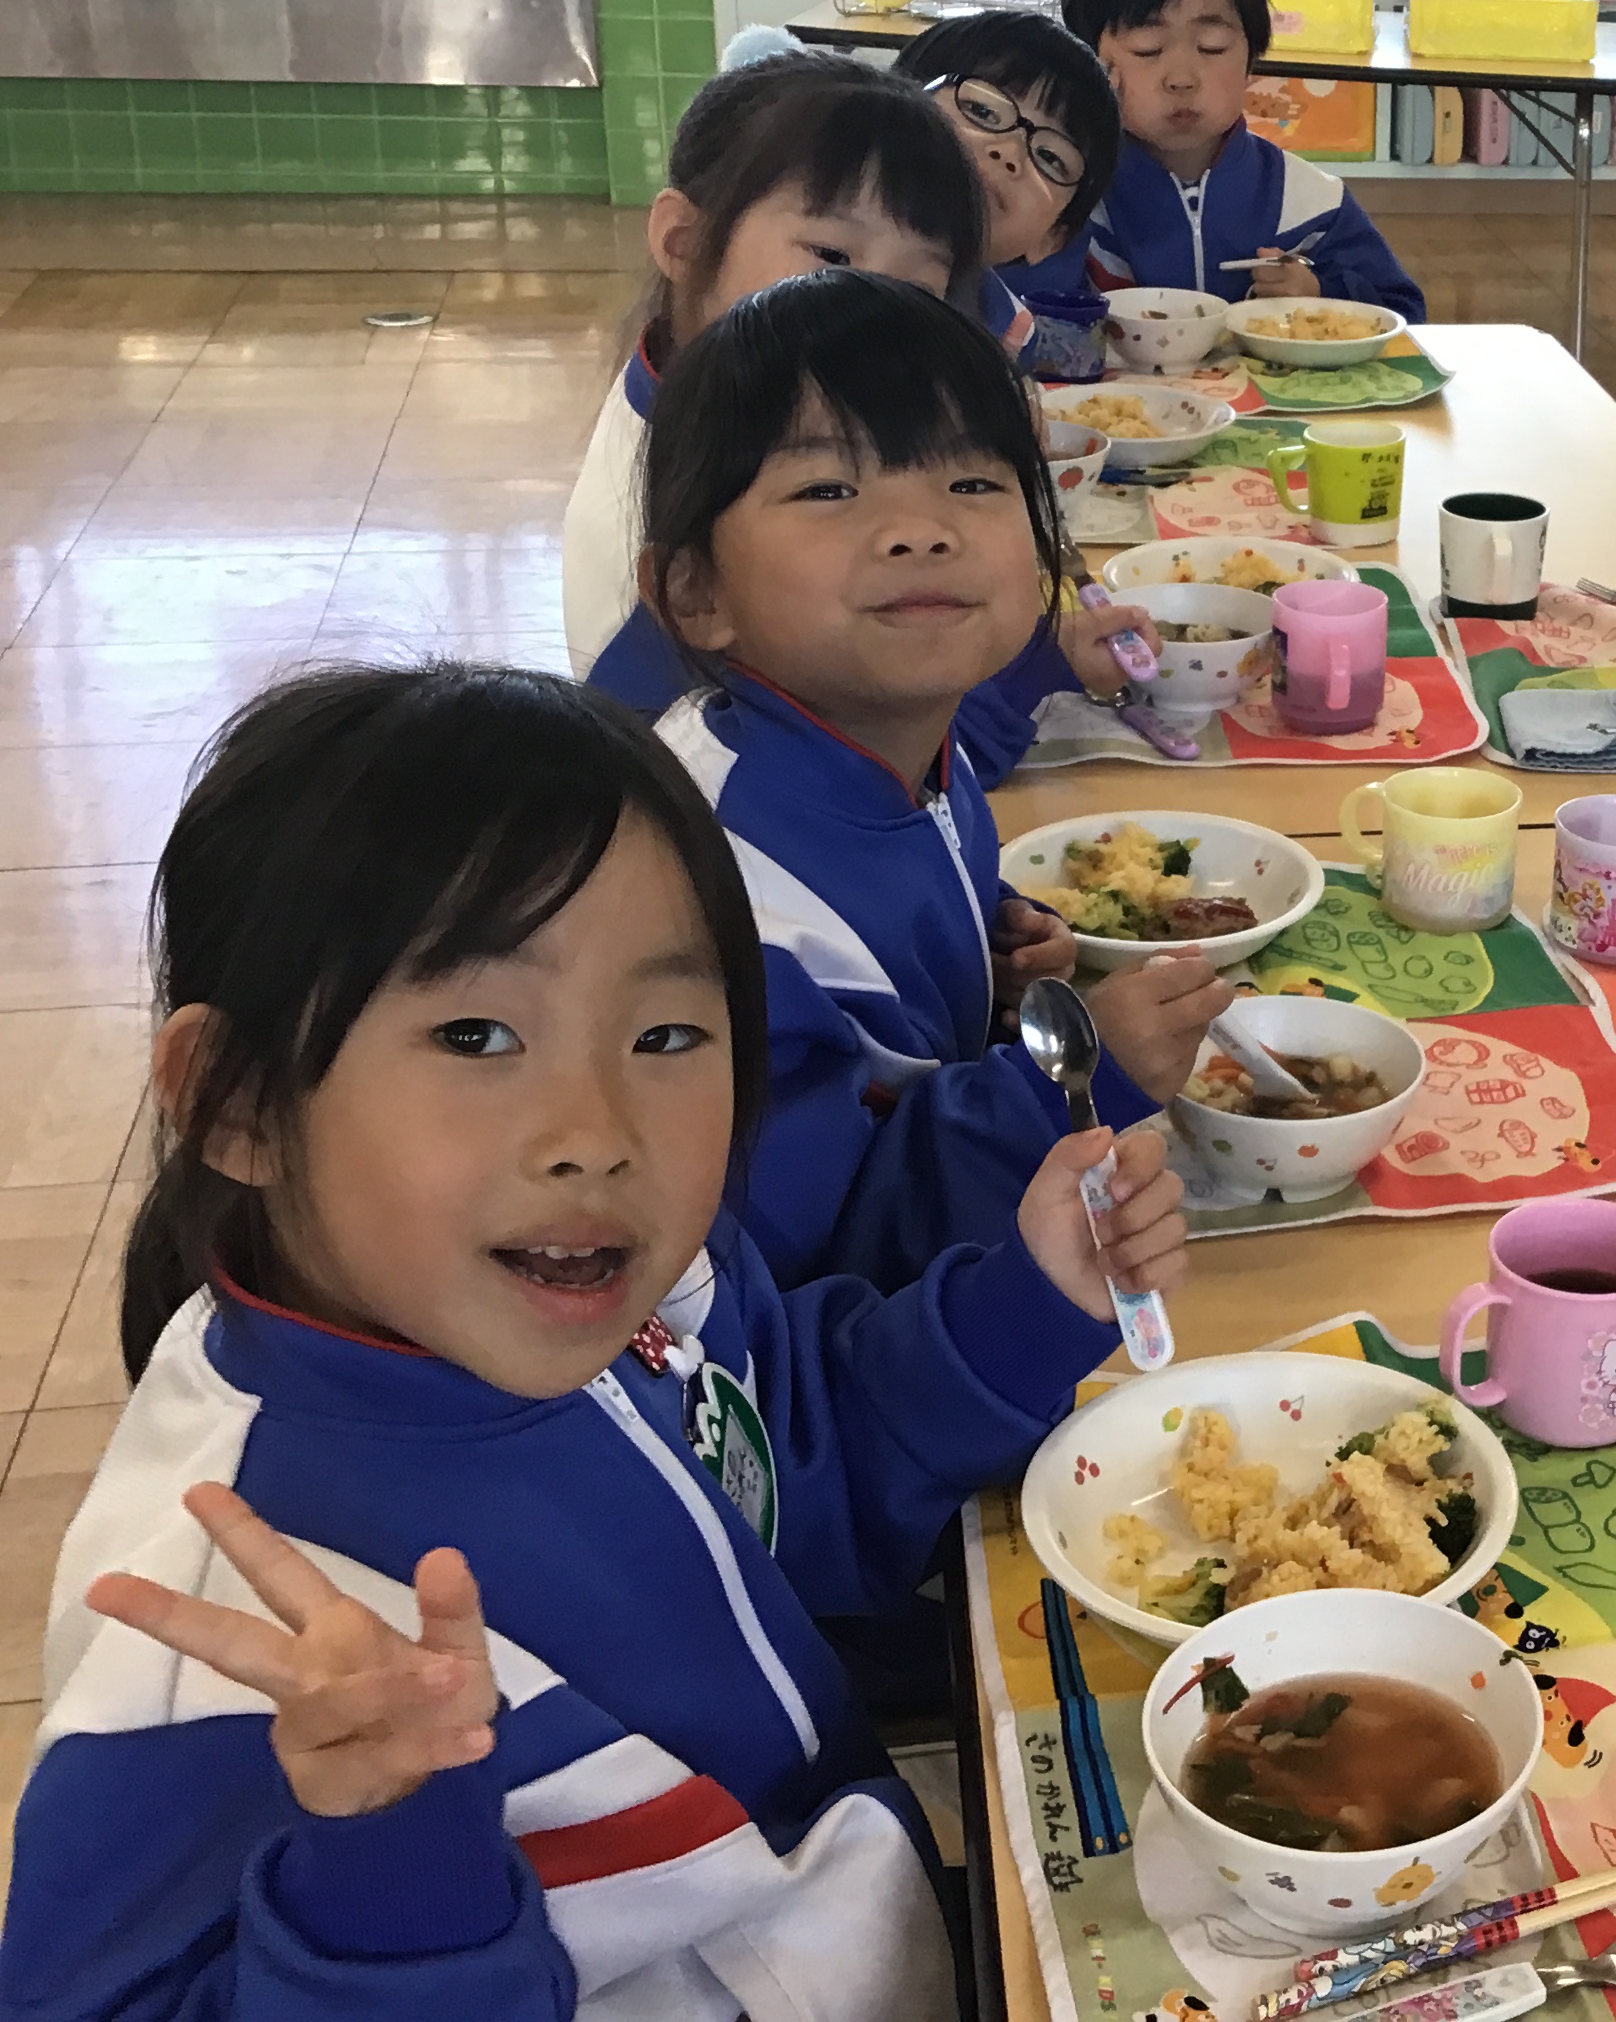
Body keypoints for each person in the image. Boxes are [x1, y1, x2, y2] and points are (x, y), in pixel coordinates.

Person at [0, 661, 1191, 2020]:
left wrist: (1027, 1303)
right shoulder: (233, 1627)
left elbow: (779, 1468)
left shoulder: (612, 1297)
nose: (598, 1133)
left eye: (668, 1032)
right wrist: (391, 1865)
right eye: (476, 1034)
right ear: (237, 1103)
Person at [613, 266, 1229, 1289]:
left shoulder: (898, 740)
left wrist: (991, 955)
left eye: (973, 484)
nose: (922, 529)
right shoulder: (720, 911)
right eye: (828, 489)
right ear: (695, 592)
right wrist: (1067, 1080)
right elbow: (824, 1253)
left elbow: (905, 916)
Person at [559, 44, 1154, 784]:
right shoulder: (680, 506)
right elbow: (869, 772)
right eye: (833, 258)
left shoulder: (753, 406)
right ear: (686, 242)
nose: (876, 316)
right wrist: (1024, 674)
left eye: (916, 288)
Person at [1056, 0, 1426, 317]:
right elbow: (1010, 321)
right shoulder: (1071, 198)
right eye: (1147, 48)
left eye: (1212, 46)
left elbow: (1404, 315)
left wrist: (1320, 296)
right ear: (1091, 61)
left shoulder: (1306, 203)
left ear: (1251, 59)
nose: (1182, 79)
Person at [889, 6, 1126, 380]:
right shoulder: (808, 246)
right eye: (982, 110)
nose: (1010, 151)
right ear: (889, 107)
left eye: (1050, 158)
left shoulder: (1008, 340)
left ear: (1053, 238)